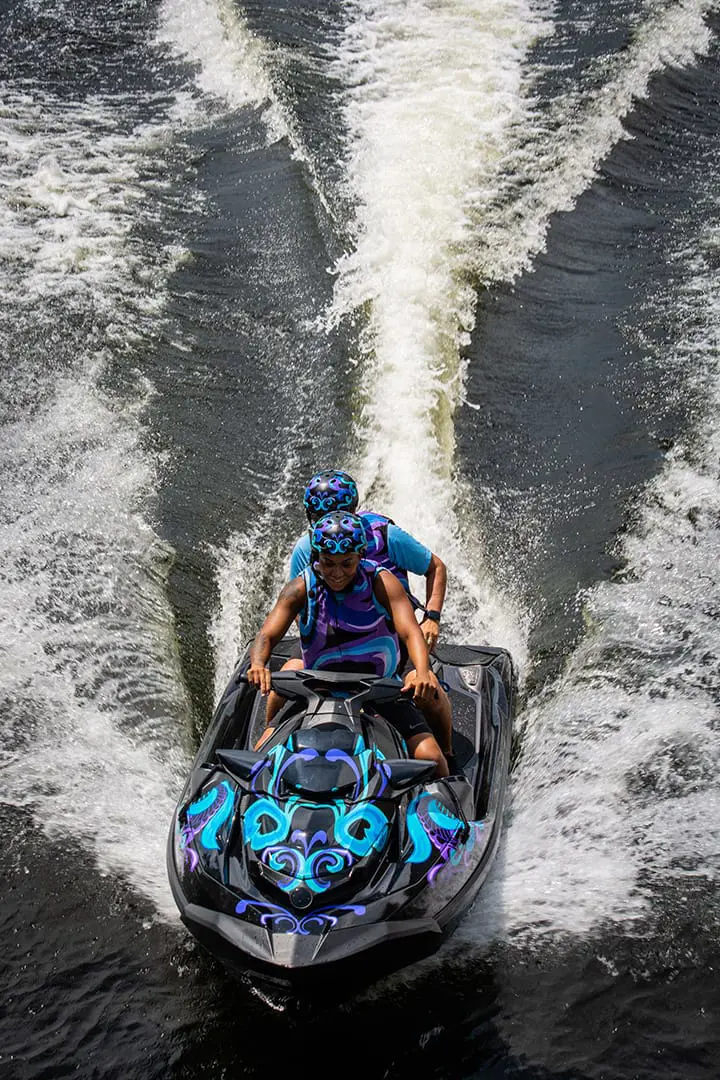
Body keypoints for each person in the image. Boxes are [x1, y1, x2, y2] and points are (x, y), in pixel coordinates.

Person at [247, 512, 452, 777]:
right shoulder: (299, 588)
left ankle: (452, 800)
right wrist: (258, 664)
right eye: (328, 563)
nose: (337, 573)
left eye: (347, 563)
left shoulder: (381, 582)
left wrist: (422, 671)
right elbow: (267, 634)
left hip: (381, 693)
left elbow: (411, 632)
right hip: (316, 691)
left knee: (431, 757)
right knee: (262, 753)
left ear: (360, 554)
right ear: (317, 556)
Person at [290, 469, 447, 653]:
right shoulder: (304, 548)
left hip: (392, 635)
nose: (331, 526)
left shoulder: (385, 536)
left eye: (338, 516)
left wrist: (432, 618)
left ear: (353, 511)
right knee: (291, 668)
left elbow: (435, 567)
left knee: (416, 679)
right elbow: (297, 606)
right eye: (319, 518)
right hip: (331, 640)